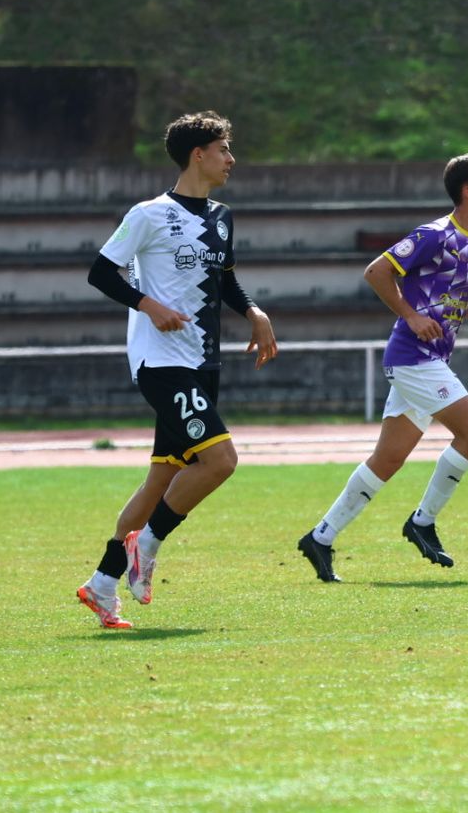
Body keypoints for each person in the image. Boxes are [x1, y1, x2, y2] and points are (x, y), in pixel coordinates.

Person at [76, 111, 277, 630]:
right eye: (223, 150)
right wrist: (148, 305)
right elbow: (101, 272)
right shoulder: (149, 214)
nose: (231, 159)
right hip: (161, 362)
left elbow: (225, 279)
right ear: (198, 155)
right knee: (220, 461)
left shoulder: (222, 216)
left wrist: (253, 312)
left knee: (161, 479)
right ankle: (147, 544)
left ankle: (102, 585)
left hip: (202, 360)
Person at [297, 154, 468, 582]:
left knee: (388, 459)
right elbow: (376, 271)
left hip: (430, 361)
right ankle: (422, 522)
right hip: (413, 357)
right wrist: (411, 316)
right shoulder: (434, 235)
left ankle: (320, 538)